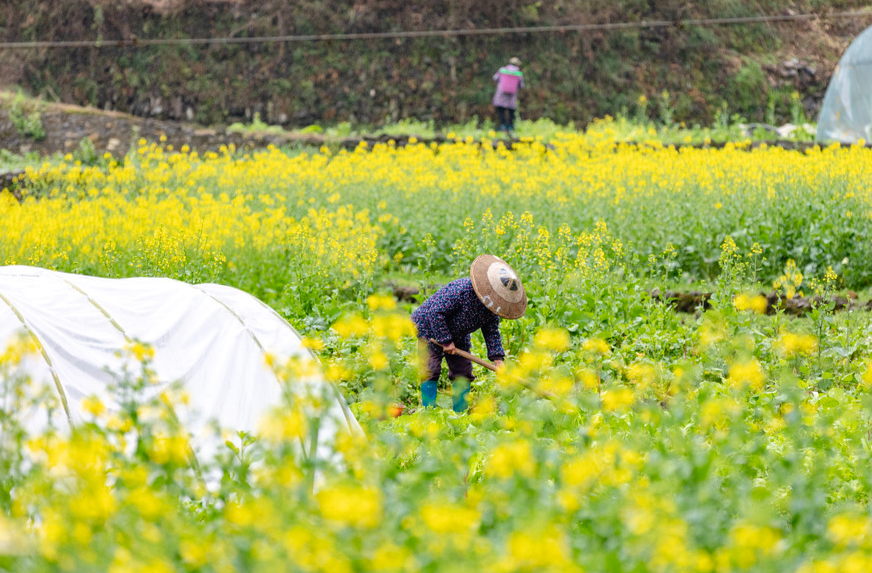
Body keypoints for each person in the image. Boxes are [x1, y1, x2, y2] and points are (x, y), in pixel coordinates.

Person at [411, 254, 527, 412]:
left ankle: (460, 415)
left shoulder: (492, 308)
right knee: (430, 369)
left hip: (458, 333)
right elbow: (435, 312)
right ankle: (428, 412)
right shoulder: (462, 291)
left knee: (463, 371)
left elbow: (492, 332)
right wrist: (445, 340)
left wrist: (498, 359)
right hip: (430, 327)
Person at [492, 57, 525, 135]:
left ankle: (502, 126)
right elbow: (522, 85)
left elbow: (495, 78)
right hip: (512, 96)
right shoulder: (518, 73)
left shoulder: (502, 70)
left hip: (501, 95)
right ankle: (510, 127)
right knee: (511, 112)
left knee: (501, 110)